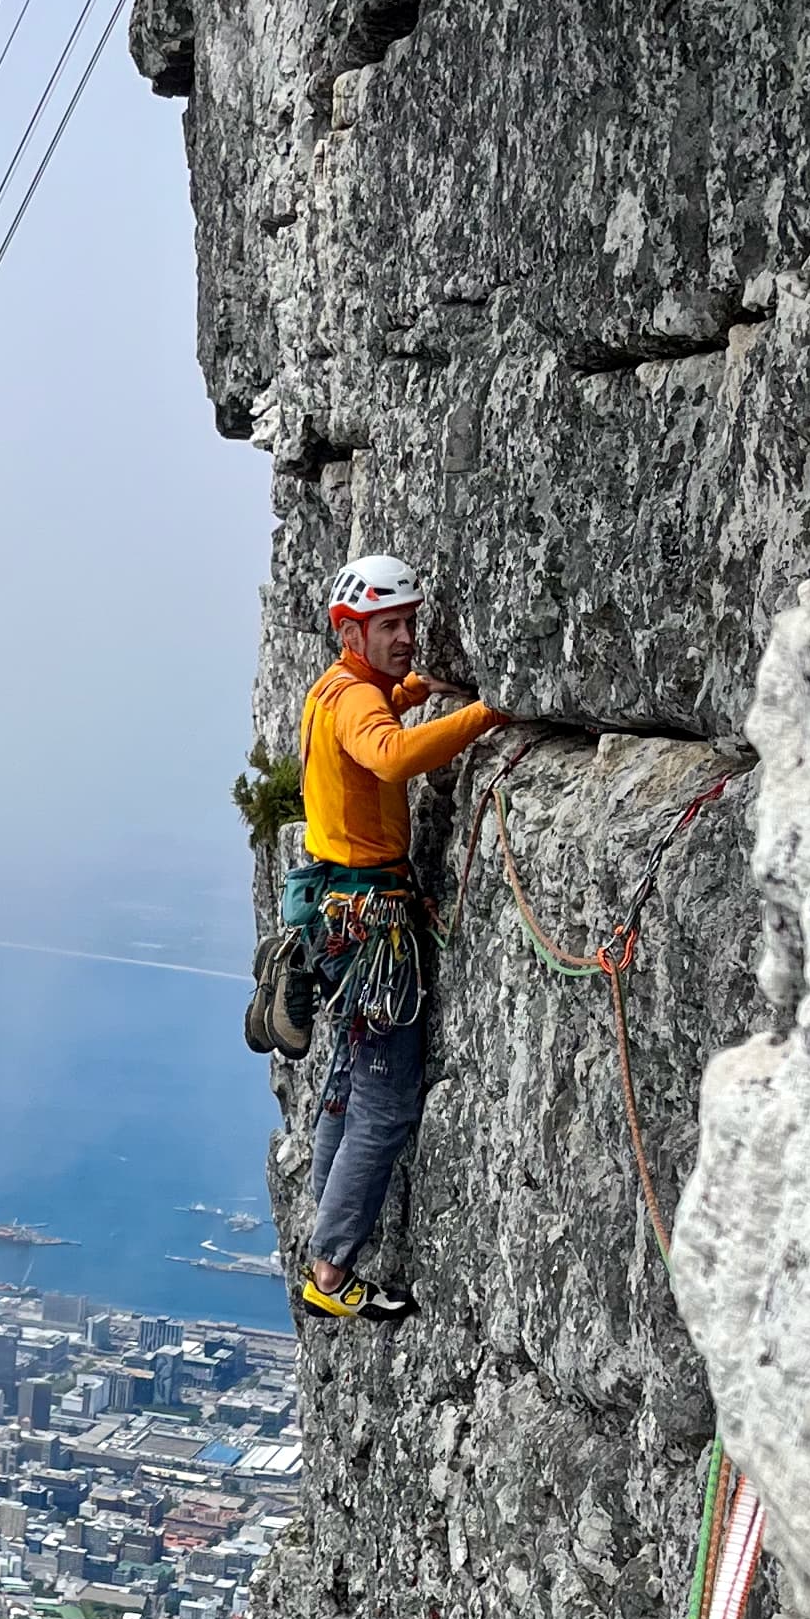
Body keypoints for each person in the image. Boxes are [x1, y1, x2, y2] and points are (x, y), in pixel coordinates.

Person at [290, 552, 493, 1322]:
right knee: (385, 1103)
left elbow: (373, 714)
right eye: (390, 627)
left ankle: (323, 1217)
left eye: (409, 622)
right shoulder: (356, 706)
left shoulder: (334, 690)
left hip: (339, 918)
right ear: (352, 631)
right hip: (370, 923)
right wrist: (483, 715)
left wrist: (416, 689)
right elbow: (387, 752)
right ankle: (332, 1271)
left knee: (347, 1083)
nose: (406, 636)